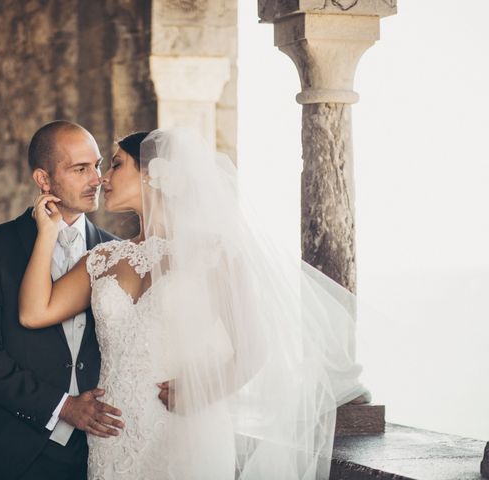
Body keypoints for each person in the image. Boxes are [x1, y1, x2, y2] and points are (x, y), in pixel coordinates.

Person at [19, 128, 366, 479]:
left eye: (116, 165)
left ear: (152, 174)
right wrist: (47, 234)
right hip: (113, 437)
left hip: (186, 430)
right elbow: (34, 312)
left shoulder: (215, 253)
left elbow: (253, 348)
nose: (102, 178)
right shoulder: (102, 258)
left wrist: (201, 393)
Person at [0, 121, 122, 480]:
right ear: (43, 180)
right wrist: (62, 406)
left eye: (97, 165)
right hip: (23, 450)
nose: (96, 179)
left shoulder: (118, 254)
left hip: (106, 449)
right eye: (79, 169)